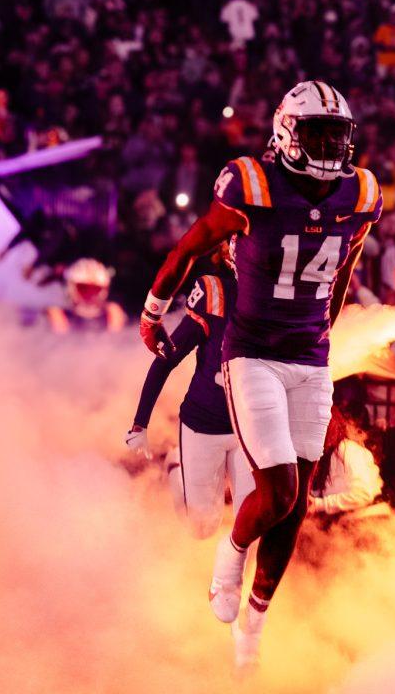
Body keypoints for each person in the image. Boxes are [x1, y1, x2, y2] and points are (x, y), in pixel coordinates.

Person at [137, 81, 381, 670]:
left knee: (292, 508)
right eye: (317, 133)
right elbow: (190, 247)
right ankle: (230, 550)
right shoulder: (252, 184)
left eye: (336, 135)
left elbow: (342, 270)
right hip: (252, 353)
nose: (329, 146)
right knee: (279, 491)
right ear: (286, 132)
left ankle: (255, 623)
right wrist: (153, 309)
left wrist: (324, 330)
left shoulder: (362, 192)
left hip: (309, 358)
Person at [126, 246, 256, 613]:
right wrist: (141, 421)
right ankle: (175, 467)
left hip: (251, 428)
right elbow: (169, 356)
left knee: (252, 523)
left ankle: (227, 590)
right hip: (205, 423)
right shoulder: (214, 291)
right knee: (202, 527)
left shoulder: (279, 292)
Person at [45, 258, 127, 333]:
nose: (89, 295)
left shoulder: (112, 314)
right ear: (70, 288)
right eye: (83, 289)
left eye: (95, 290)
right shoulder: (57, 313)